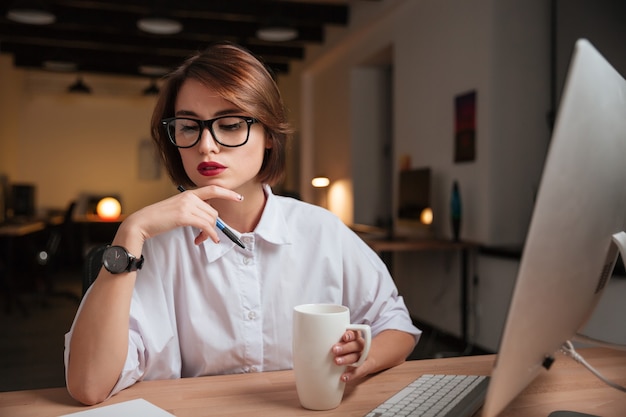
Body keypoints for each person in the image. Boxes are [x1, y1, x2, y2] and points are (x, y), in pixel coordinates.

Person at [64, 41, 421, 406]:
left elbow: (397, 325)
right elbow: (89, 385)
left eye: (231, 125)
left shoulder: (321, 230)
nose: (206, 146)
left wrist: (362, 358)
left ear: (269, 135)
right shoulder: (155, 247)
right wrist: (130, 231)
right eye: (188, 127)